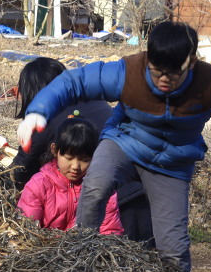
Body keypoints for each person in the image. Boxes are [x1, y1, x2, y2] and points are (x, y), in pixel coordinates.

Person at [18, 21, 211, 272]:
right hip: (124, 143)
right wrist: (38, 112)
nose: (164, 79)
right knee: (95, 187)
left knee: (172, 245)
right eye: (157, 70)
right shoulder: (128, 74)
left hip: (171, 164)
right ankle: (79, 256)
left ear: (191, 62)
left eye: (174, 73)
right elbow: (73, 81)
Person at [9, 57, 153, 243]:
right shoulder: (93, 100)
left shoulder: (43, 118)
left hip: (113, 204)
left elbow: (19, 170)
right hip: (142, 193)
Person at [18, 117, 123, 236]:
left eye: (85, 160)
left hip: (88, 251)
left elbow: (110, 231)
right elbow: (27, 230)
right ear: (55, 150)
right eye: (69, 158)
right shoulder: (38, 185)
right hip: (47, 250)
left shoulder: (101, 187)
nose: (76, 166)